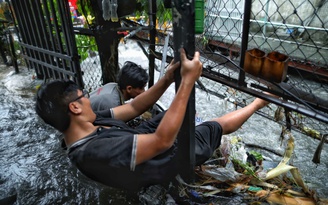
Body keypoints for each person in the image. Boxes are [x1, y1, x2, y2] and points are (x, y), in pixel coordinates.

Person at [35, 49, 270, 191]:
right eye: (83, 96)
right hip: (161, 159)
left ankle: (198, 127)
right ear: (75, 107)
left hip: (135, 138)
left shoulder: (85, 125)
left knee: (175, 114)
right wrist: (187, 81)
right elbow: (162, 141)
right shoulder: (96, 151)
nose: (88, 98)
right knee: (212, 126)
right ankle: (260, 101)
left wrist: (168, 79)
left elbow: (136, 106)